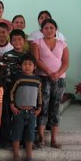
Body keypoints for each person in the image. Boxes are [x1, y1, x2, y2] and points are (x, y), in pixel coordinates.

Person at [32, 18, 69, 149]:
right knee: (43, 106)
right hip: (42, 78)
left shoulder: (62, 44)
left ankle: (54, 139)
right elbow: (36, 60)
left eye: (51, 28)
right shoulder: (37, 43)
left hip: (59, 79)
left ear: (56, 30)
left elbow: (65, 62)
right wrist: (49, 72)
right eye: (46, 28)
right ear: (42, 30)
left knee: (56, 107)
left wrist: (57, 74)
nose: (49, 30)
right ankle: (41, 138)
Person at [10, 54, 42, 161]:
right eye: (24, 64)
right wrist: (12, 106)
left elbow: (40, 96)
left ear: (35, 66)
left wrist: (39, 108)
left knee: (30, 135)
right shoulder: (18, 79)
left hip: (32, 113)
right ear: (20, 66)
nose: (27, 66)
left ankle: (29, 157)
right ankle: (16, 156)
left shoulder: (38, 80)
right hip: (19, 112)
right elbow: (11, 92)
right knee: (17, 134)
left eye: (30, 64)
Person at [0, 29, 27, 148]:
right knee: (6, 117)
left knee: (20, 117)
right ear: (10, 41)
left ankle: (19, 140)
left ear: (24, 41)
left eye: (20, 39)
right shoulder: (6, 56)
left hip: (22, 92)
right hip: (7, 90)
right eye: (14, 40)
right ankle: (5, 140)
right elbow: (2, 73)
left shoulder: (27, 57)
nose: (17, 42)